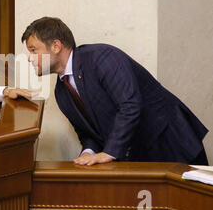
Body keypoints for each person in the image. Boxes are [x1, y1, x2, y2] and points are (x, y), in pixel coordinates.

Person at [22, 17, 209, 166]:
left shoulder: (102, 58)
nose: (30, 59)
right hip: (139, 160)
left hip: (171, 144)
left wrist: (109, 152)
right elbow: (88, 133)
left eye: (33, 50)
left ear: (56, 46)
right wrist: (88, 153)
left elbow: (130, 105)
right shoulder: (61, 92)